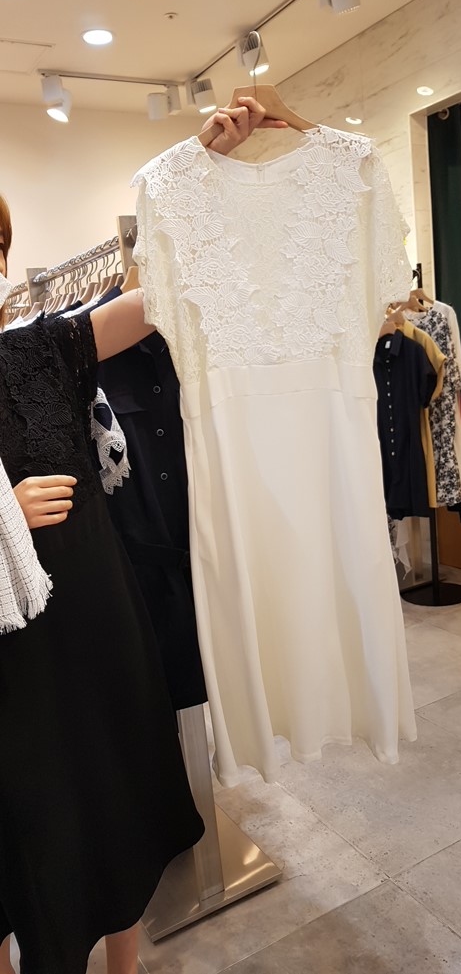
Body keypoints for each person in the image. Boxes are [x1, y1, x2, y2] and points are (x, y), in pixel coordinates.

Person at [0, 98, 287, 974]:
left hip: (99, 639)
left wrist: (199, 167)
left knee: (118, 820)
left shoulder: (38, 350)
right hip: (15, 675)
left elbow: (162, 295)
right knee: (26, 849)